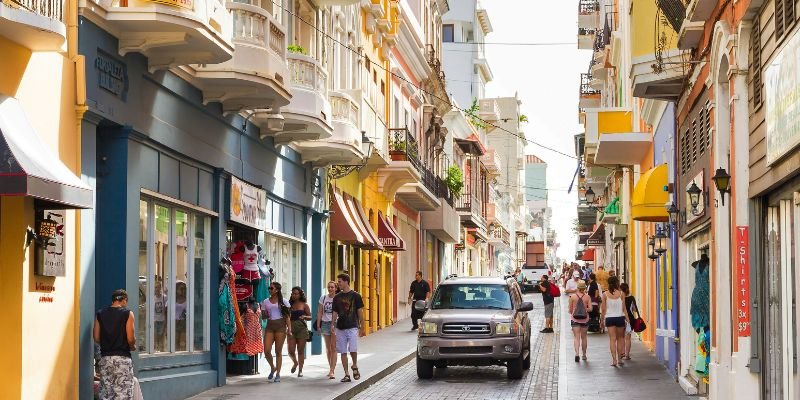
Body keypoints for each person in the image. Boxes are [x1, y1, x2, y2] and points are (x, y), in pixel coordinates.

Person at [94, 289, 136, 399]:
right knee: (123, 393)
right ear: (124, 300)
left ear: (113, 301)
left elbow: (96, 337)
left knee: (107, 393)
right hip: (122, 358)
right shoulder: (127, 313)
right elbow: (130, 338)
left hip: (105, 359)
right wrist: (133, 346)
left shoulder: (100, 313)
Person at [332, 273, 365, 383]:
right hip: (340, 328)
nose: (338, 284)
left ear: (346, 281)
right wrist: (332, 324)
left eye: (340, 281)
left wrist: (362, 326)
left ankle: (354, 365)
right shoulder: (337, 297)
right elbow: (335, 312)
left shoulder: (356, 296)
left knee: (353, 349)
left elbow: (360, 311)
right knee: (343, 351)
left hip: (352, 326)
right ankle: (346, 374)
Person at [261, 282, 291, 382]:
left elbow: (287, 317)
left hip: (281, 327)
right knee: (267, 351)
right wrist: (262, 312)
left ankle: (278, 373)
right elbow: (264, 317)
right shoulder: (265, 301)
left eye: (271, 288)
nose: (269, 290)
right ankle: (273, 367)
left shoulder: (284, 301)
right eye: (269, 288)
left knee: (278, 351)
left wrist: (289, 329)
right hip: (270, 326)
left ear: (277, 290)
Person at [601, 276, 629, 367]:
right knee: (620, 338)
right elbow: (624, 309)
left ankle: (614, 360)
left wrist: (601, 320)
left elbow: (603, 309)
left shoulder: (605, 294)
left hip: (609, 318)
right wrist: (628, 320)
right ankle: (620, 360)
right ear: (617, 283)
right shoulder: (621, 294)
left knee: (612, 339)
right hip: (620, 318)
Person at [287, 286, 312, 377]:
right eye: (292, 294)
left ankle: (300, 370)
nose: (294, 295)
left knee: (300, 351)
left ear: (300, 294)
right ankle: (295, 362)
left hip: (302, 329)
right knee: (290, 350)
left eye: (296, 294)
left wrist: (305, 317)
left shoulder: (304, 305)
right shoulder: (289, 305)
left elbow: (310, 317)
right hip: (291, 329)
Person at [317, 281, 339, 379]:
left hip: (335, 323)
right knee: (328, 348)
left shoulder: (338, 298)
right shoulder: (323, 298)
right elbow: (319, 312)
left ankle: (332, 370)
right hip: (325, 323)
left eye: (332, 287)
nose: (330, 289)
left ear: (336, 288)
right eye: (329, 287)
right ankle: (330, 367)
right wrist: (318, 326)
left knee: (333, 347)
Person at [569, 280, 592, 362]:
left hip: (575, 319)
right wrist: (585, 309)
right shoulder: (587, 297)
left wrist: (575, 311)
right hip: (585, 319)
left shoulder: (572, 297)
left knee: (576, 337)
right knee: (584, 337)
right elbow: (590, 309)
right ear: (584, 288)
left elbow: (570, 310)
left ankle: (577, 353)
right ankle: (584, 355)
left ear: (578, 288)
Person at [621, 283, 638, 360]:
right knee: (628, 338)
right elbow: (634, 309)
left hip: (621, 318)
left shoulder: (619, 298)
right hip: (630, 319)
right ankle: (627, 355)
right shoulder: (631, 298)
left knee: (621, 337)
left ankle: (622, 353)